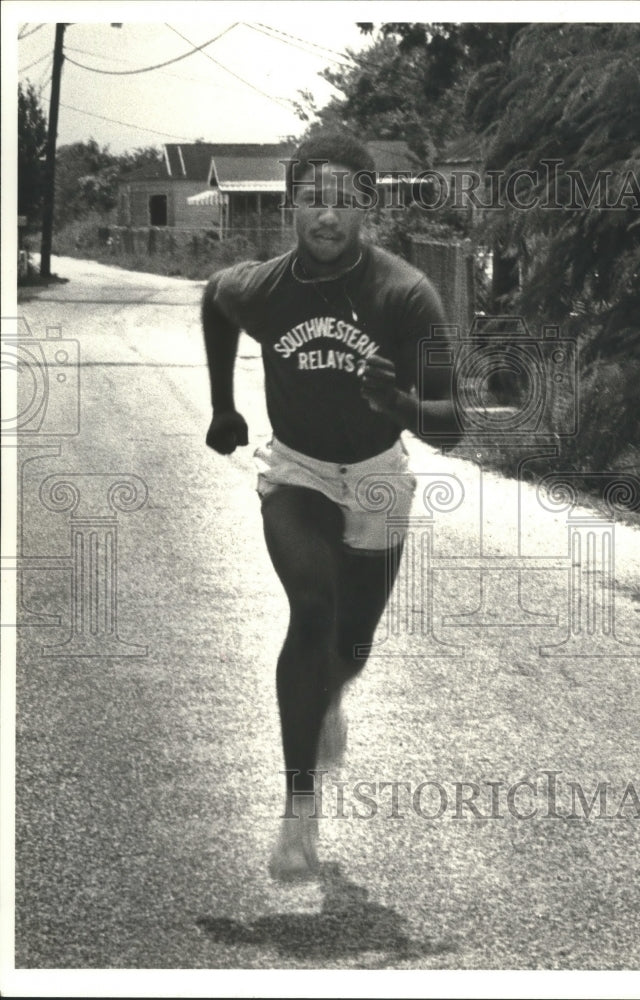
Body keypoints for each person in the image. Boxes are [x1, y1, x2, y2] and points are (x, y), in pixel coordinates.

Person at [201, 130, 460, 880]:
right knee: (312, 610)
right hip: (300, 472)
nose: (326, 216)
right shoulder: (264, 287)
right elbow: (215, 301)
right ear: (290, 208)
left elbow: (450, 424)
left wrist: (399, 403)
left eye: (344, 202)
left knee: (350, 649)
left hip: (378, 474)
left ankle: (330, 700)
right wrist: (223, 405)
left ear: (367, 211)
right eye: (312, 199)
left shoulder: (407, 295)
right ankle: (298, 809)